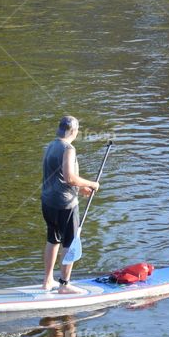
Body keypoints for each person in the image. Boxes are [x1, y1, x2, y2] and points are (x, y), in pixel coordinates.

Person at [41, 115, 100, 292]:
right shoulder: (68, 149)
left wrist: (80, 189)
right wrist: (91, 184)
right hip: (65, 205)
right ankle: (64, 285)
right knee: (70, 242)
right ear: (73, 131)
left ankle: (47, 281)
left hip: (48, 202)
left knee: (53, 239)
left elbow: (58, 176)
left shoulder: (50, 145)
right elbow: (69, 178)